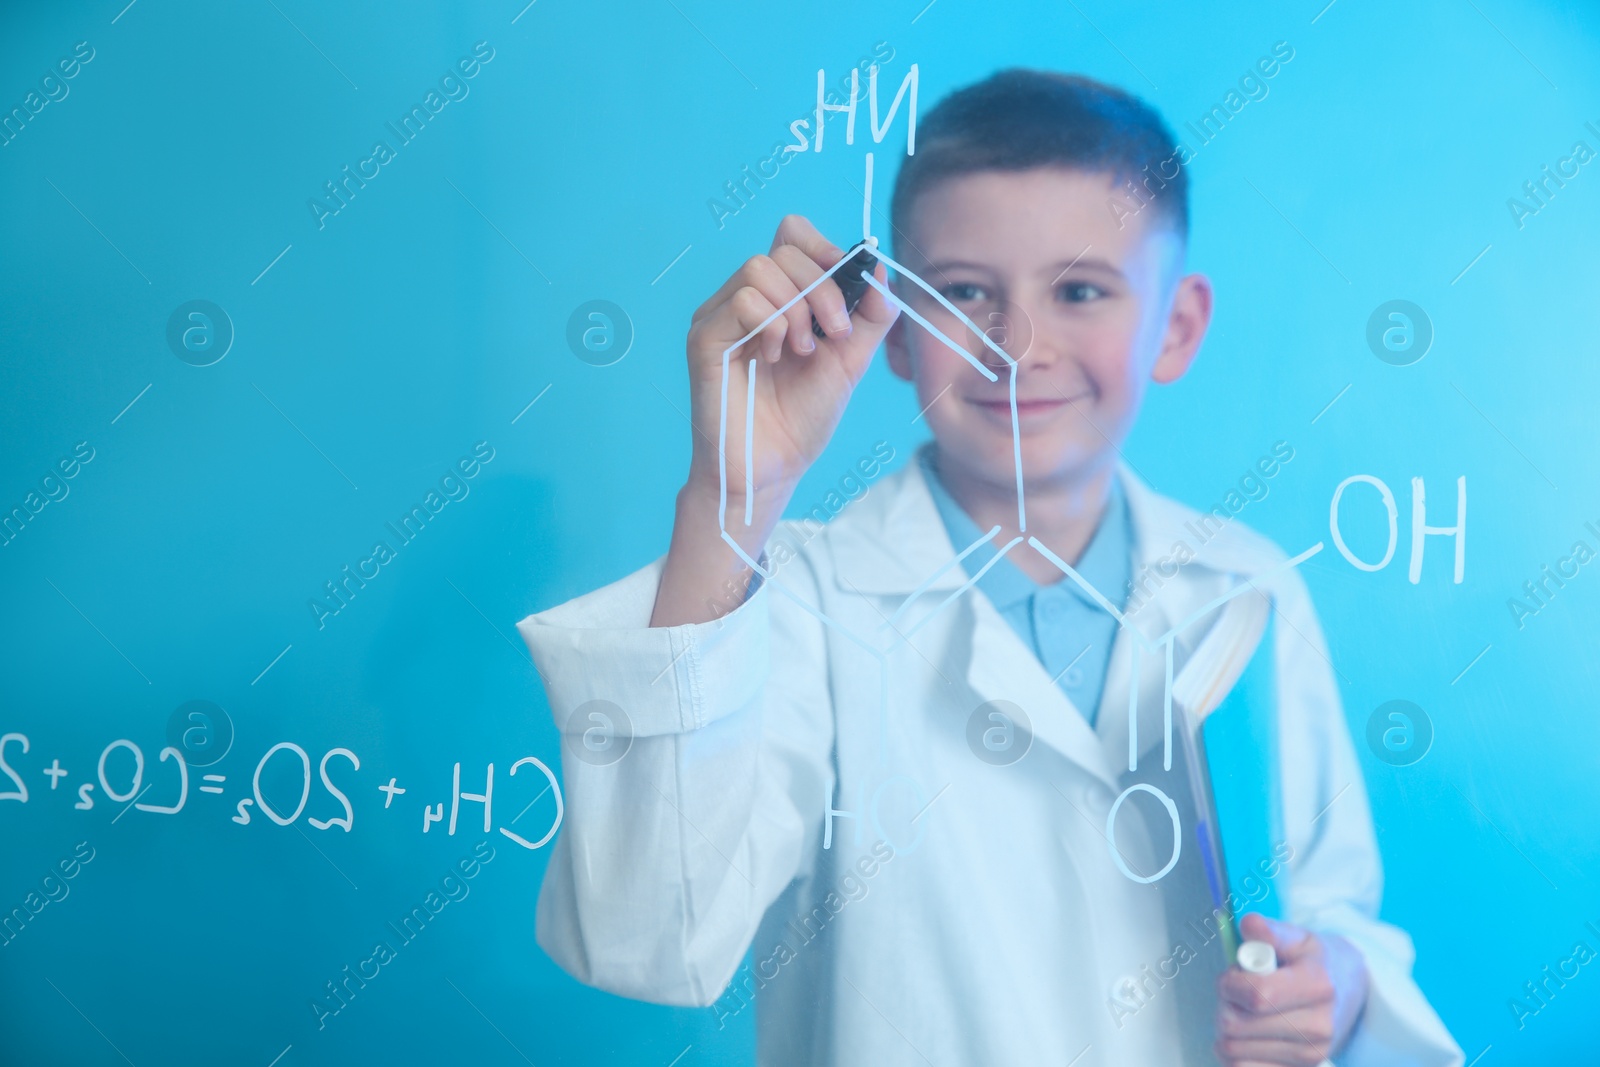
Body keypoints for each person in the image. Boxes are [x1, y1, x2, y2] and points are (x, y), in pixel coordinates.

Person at [518, 70, 1462, 1066]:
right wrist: (730, 500)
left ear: (1177, 326)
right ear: (893, 326)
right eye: (964, 291)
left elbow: (1330, 910)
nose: (1017, 348)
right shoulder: (797, 601)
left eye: (1081, 290)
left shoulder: (1247, 590)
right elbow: (650, 942)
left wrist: (1341, 984)